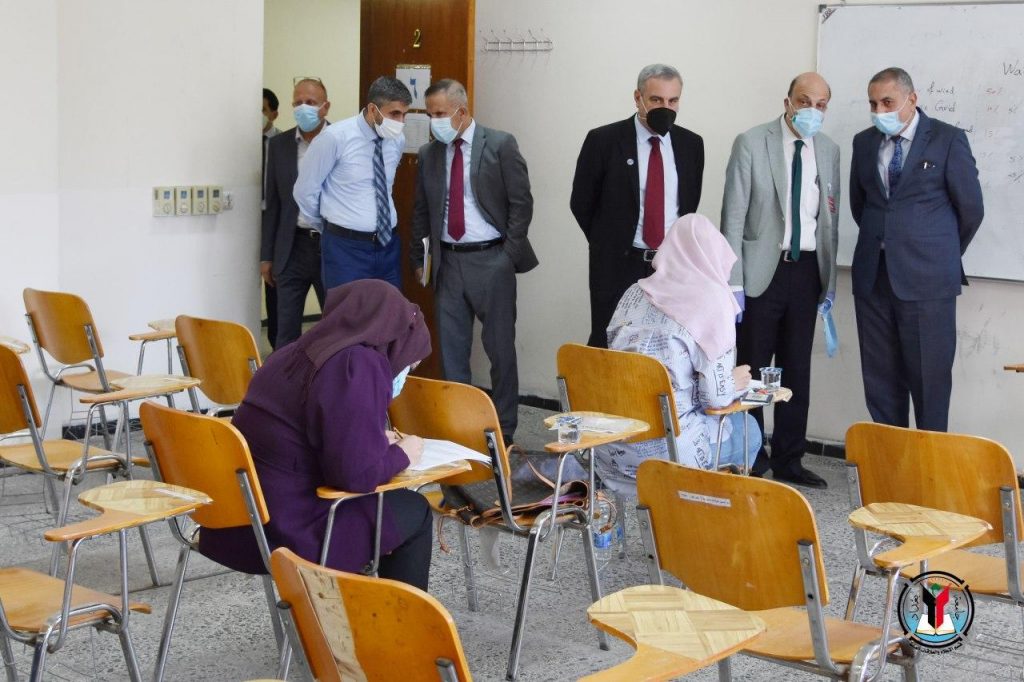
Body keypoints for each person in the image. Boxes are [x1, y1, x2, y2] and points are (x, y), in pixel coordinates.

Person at [199, 280, 434, 590]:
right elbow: (355, 476)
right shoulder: (360, 363)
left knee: (385, 511)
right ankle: (398, 621)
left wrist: (375, 441)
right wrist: (403, 453)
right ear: (393, 340)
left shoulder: (294, 352)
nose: (403, 373)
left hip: (236, 522)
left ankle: (354, 606)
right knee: (414, 510)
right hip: (291, 531)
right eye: (409, 364)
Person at [720, 72, 840, 489]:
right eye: (804, 101)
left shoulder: (829, 150)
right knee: (751, 367)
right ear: (787, 101)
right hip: (760, 273)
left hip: (806, 271)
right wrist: (732, 282)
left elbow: (830, 221)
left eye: (820, 104)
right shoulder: (752, 142)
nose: (811, 110)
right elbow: (733, 218)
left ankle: (790, 459)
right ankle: (750, 455)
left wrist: (829, 283)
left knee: (796, 370)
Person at [850, 67, 983, 432]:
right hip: (874, 279)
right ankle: (891, 465)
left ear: (912, 99)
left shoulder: (947, 139)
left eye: (887, 102)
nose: (879, 111)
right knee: (880, 385)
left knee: (930, 386)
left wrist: (938, 254)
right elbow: (862, 206)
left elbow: (971, 210)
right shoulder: (863, 143)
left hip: (929, 282)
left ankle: (928, 467)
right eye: (873, 104)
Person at [595, 214, 760, 496]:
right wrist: (733, 381)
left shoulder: (634, 292)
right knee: (749, 430)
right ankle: (705, 513)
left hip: (610, 446)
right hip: (671, 449)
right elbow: (715, 399)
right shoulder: (713, 300)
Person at [411, 79, 536, 443]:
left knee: (500, 349)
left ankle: (505, 429)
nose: (433, 121)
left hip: (491, 260)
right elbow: (421, 210)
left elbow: (521, 203)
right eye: (429, 114)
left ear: (461, 112)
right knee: (451, 353)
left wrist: (507, 256)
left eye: (439, 114)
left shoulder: (499, 144)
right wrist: (420, 259)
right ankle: (459, 429)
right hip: (448, 263)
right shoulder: (429, 154)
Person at [570, 63, 705, 348]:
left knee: (665, 345)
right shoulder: (603, 141)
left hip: (670, 266)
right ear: (638, 97)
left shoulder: (691, 145)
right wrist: (609, 242)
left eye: (673, 101)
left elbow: (689, 205)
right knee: (611, 344)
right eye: (656, 99)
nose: (665, 108)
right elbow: (581, 202)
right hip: (618, 264)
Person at [294, 76, 412, 289]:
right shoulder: (334, 138)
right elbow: (305, 191)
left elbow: (386, 187)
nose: (401, 122)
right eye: (395, 113)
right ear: (373, 109)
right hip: (345, 248)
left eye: (405, 114)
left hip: (388, 245)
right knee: (348, 309)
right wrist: (327, 226)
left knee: (390, 308)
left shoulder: (397, 139)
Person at [261, 78, 330, 349]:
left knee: (334, 329)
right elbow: (273, 204)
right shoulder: (279, 145)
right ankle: (285, 376)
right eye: (298, 102)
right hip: (291, 247)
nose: (304, 107)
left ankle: (327, 376)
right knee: (285, 333)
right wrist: (266, 256)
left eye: (311, 102)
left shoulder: (341, 141)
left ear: (325, 107)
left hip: (330, 246)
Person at [262, 87, 282, 347]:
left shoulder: (281, 144)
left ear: (274, 114)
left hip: (276, 226)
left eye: (263, 110)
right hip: (248, 221)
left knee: (275, 291)